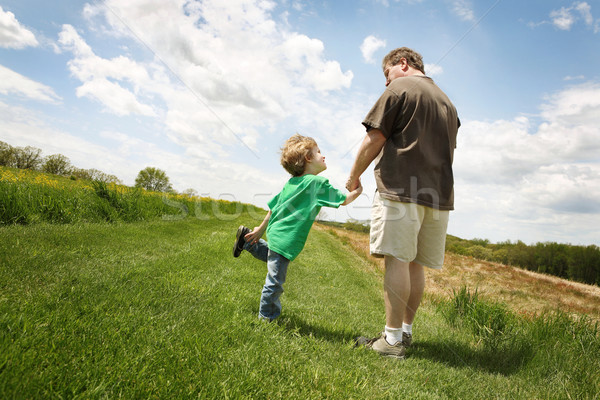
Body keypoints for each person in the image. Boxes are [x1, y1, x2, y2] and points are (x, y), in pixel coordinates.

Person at [347, 47, 460, 358]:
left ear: (403, 64)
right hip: (438, 196)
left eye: (387, 74)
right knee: (415, 264)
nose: (386, 83)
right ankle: (405, 332)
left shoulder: (400, 88)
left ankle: (392, 341)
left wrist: (353, 176)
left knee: (397, 260)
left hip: (400, 189)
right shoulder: (448, 103)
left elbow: (376, 137)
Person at [233, 134, 363, 322]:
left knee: (272, 257)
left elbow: (273, 208)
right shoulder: (316, 183)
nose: (323, 156)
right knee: (275, 282)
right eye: (319, 152)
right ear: (308, 159)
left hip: (277, 233)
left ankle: (248, 241)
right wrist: (357, 191)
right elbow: (343, 201)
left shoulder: (291, 183)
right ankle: (266, 318)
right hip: (286, 238)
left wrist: (260, 230)